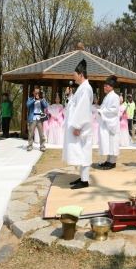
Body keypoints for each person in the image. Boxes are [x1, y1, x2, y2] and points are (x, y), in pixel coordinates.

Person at [62, 59, 94, 190]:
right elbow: (75, 105)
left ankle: (85, 181)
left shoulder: (86, 88)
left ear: (81, 74)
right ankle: (82, 177)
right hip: (80, 126)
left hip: (83, 127)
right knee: (80, 152)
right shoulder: (82, 88)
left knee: (84, 152)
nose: (73, 78)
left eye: (74, 75)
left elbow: (83, 108)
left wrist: (78, 126)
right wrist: (70, 96)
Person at [98, 76, 120, 170]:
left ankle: (113, 162)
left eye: (106, 86)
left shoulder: (115, 97)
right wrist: (100, 111)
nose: (104, 87)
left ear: (111, 87)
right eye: (104, 86)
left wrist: (102, 112)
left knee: (113, 142)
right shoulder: (107, 97)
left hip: (112, 123)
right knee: (108, 142)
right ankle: (108, 160)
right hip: (107, 122)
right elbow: (104, 107)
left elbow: (114, 110)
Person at [26, 86, 48, 152]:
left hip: (40, 118)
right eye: (36, 93)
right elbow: (27, 104)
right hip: (32, 117)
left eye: (38, 93)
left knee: (41, 133)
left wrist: (41, 100)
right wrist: (34, 99)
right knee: (31, 133)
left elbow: (46, 106)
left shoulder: (42, 99)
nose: (37, 94)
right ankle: (30, 145)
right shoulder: (31, 99)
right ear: (33, 93)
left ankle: (42, 146)